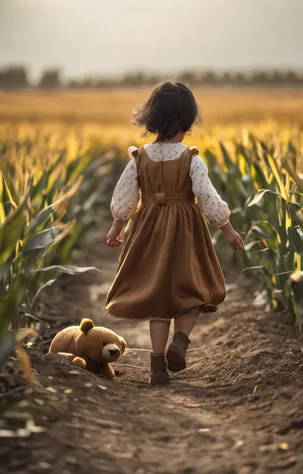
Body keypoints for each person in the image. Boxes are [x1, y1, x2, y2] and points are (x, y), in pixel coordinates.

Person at [105, 80, 244, 386]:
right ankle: (180, 341)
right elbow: (207, 197)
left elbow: (125, 196)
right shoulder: (191, 158)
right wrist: (228, 230)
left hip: (149, 228)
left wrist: (117, 226)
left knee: (158, 295)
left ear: (151, 118)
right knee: (193, 288)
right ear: (188, 119)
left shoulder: (139, 157)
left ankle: (157, 366)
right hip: (186, 229)